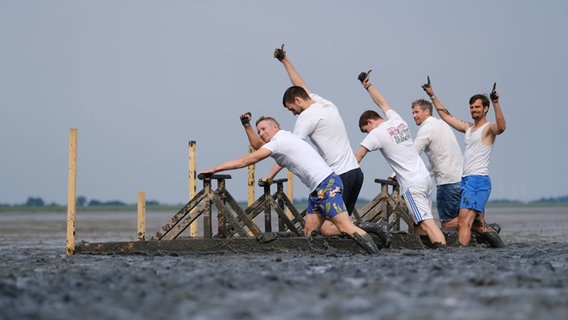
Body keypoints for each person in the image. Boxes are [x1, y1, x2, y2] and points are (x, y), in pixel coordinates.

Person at [201, 116, 380, 254]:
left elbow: (246, 160)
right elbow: (257, 146)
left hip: (326, 185)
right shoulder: (280, 140)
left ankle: (376, 256)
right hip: (317, 189)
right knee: (310, 231)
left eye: (264, 129)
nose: (262, 134)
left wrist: (214, 169)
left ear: (276, 127)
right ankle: (318, 261)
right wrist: (247, 126)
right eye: (259, 131)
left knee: (345, 227)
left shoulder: (280, 141)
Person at [271, 44, 364, 221]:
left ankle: (373, 232)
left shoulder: (306, 117)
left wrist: (270, 175)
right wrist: (284, 60)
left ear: (297, 101)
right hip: (355, 173)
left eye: (292, 109)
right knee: (338, 225)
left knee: (332, 227)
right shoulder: (323, 103)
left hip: (340, 175)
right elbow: (299, 84)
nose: (294, 113)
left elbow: (290, 149)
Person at [354, 70, 446, 247]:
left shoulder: (376, 134)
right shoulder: (397, 119)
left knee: (428, 224)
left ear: (370, 123)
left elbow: (357, 157)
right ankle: (424, 258)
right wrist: (368, 86)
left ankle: (444, 258)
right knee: (416, 223)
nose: (368, 134)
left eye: (366, 130)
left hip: (412, 184)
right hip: (425, 180)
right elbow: (382, 102)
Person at [422, 80, 506, 247]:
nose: (474, 110)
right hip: (466, 180)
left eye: (477, 107)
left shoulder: (488, 129)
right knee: (477, 225)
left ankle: (462, 256)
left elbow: (502, 127)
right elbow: (446, 116)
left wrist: (496, 103)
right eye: (472, 107)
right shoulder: (468, 128)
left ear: (485, 109)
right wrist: (431, 94)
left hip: (477, 180)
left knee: (463, 223)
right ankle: (498, 247)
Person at [410, 98, 463, 229]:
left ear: (427, 111)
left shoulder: (426, 129)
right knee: (460, 219)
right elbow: (437, 160)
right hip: (462, 178)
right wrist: (424, 174)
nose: (414, 116)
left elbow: (411, 155)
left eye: (416, 112)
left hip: (447, 182)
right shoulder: (442, 124)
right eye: (413, 113)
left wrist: (395, 173)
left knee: (447, 223)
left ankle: (478, 223)